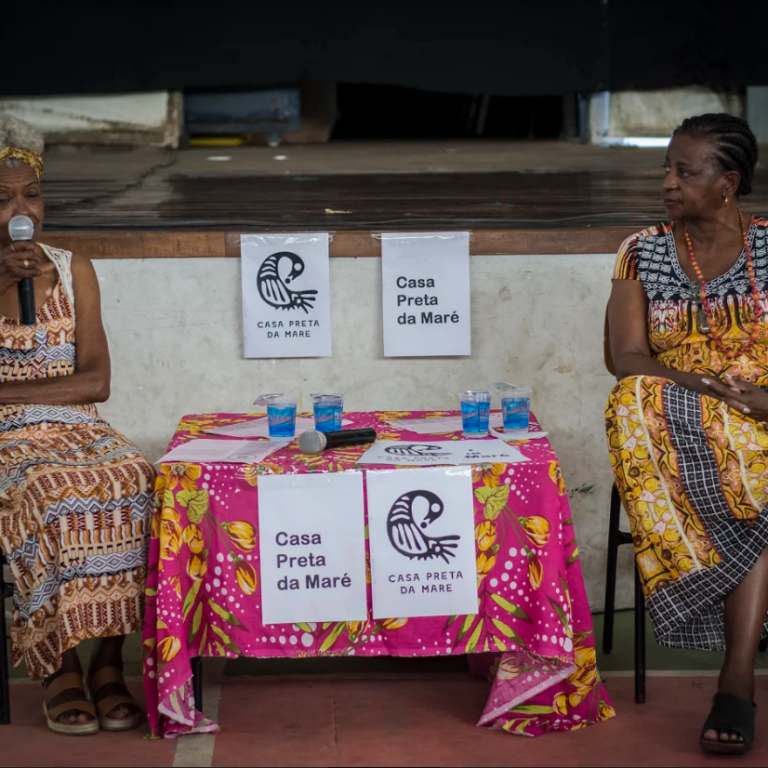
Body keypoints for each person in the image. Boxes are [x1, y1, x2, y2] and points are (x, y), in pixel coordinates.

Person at [606, 112, 768, 755]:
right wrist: (702, 387)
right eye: (667, 166)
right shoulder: (641, 250)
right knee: (632, 398)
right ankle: (739, 678)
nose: (667, 181)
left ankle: (735, 677)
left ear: (727, 182)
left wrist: (764, 400)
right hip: (677, 417)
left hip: (763, 417)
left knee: (751, 466)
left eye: (685, 170)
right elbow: (626, 357)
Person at [0, 115, 155, 735]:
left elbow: (96, 383)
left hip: (79, 425)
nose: (22, 209)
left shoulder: (73, 268)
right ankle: (58, 666)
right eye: (3, 198)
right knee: (50, 491)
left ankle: (110, 662)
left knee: (136, 478)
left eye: (31, 195)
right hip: (10, 443)